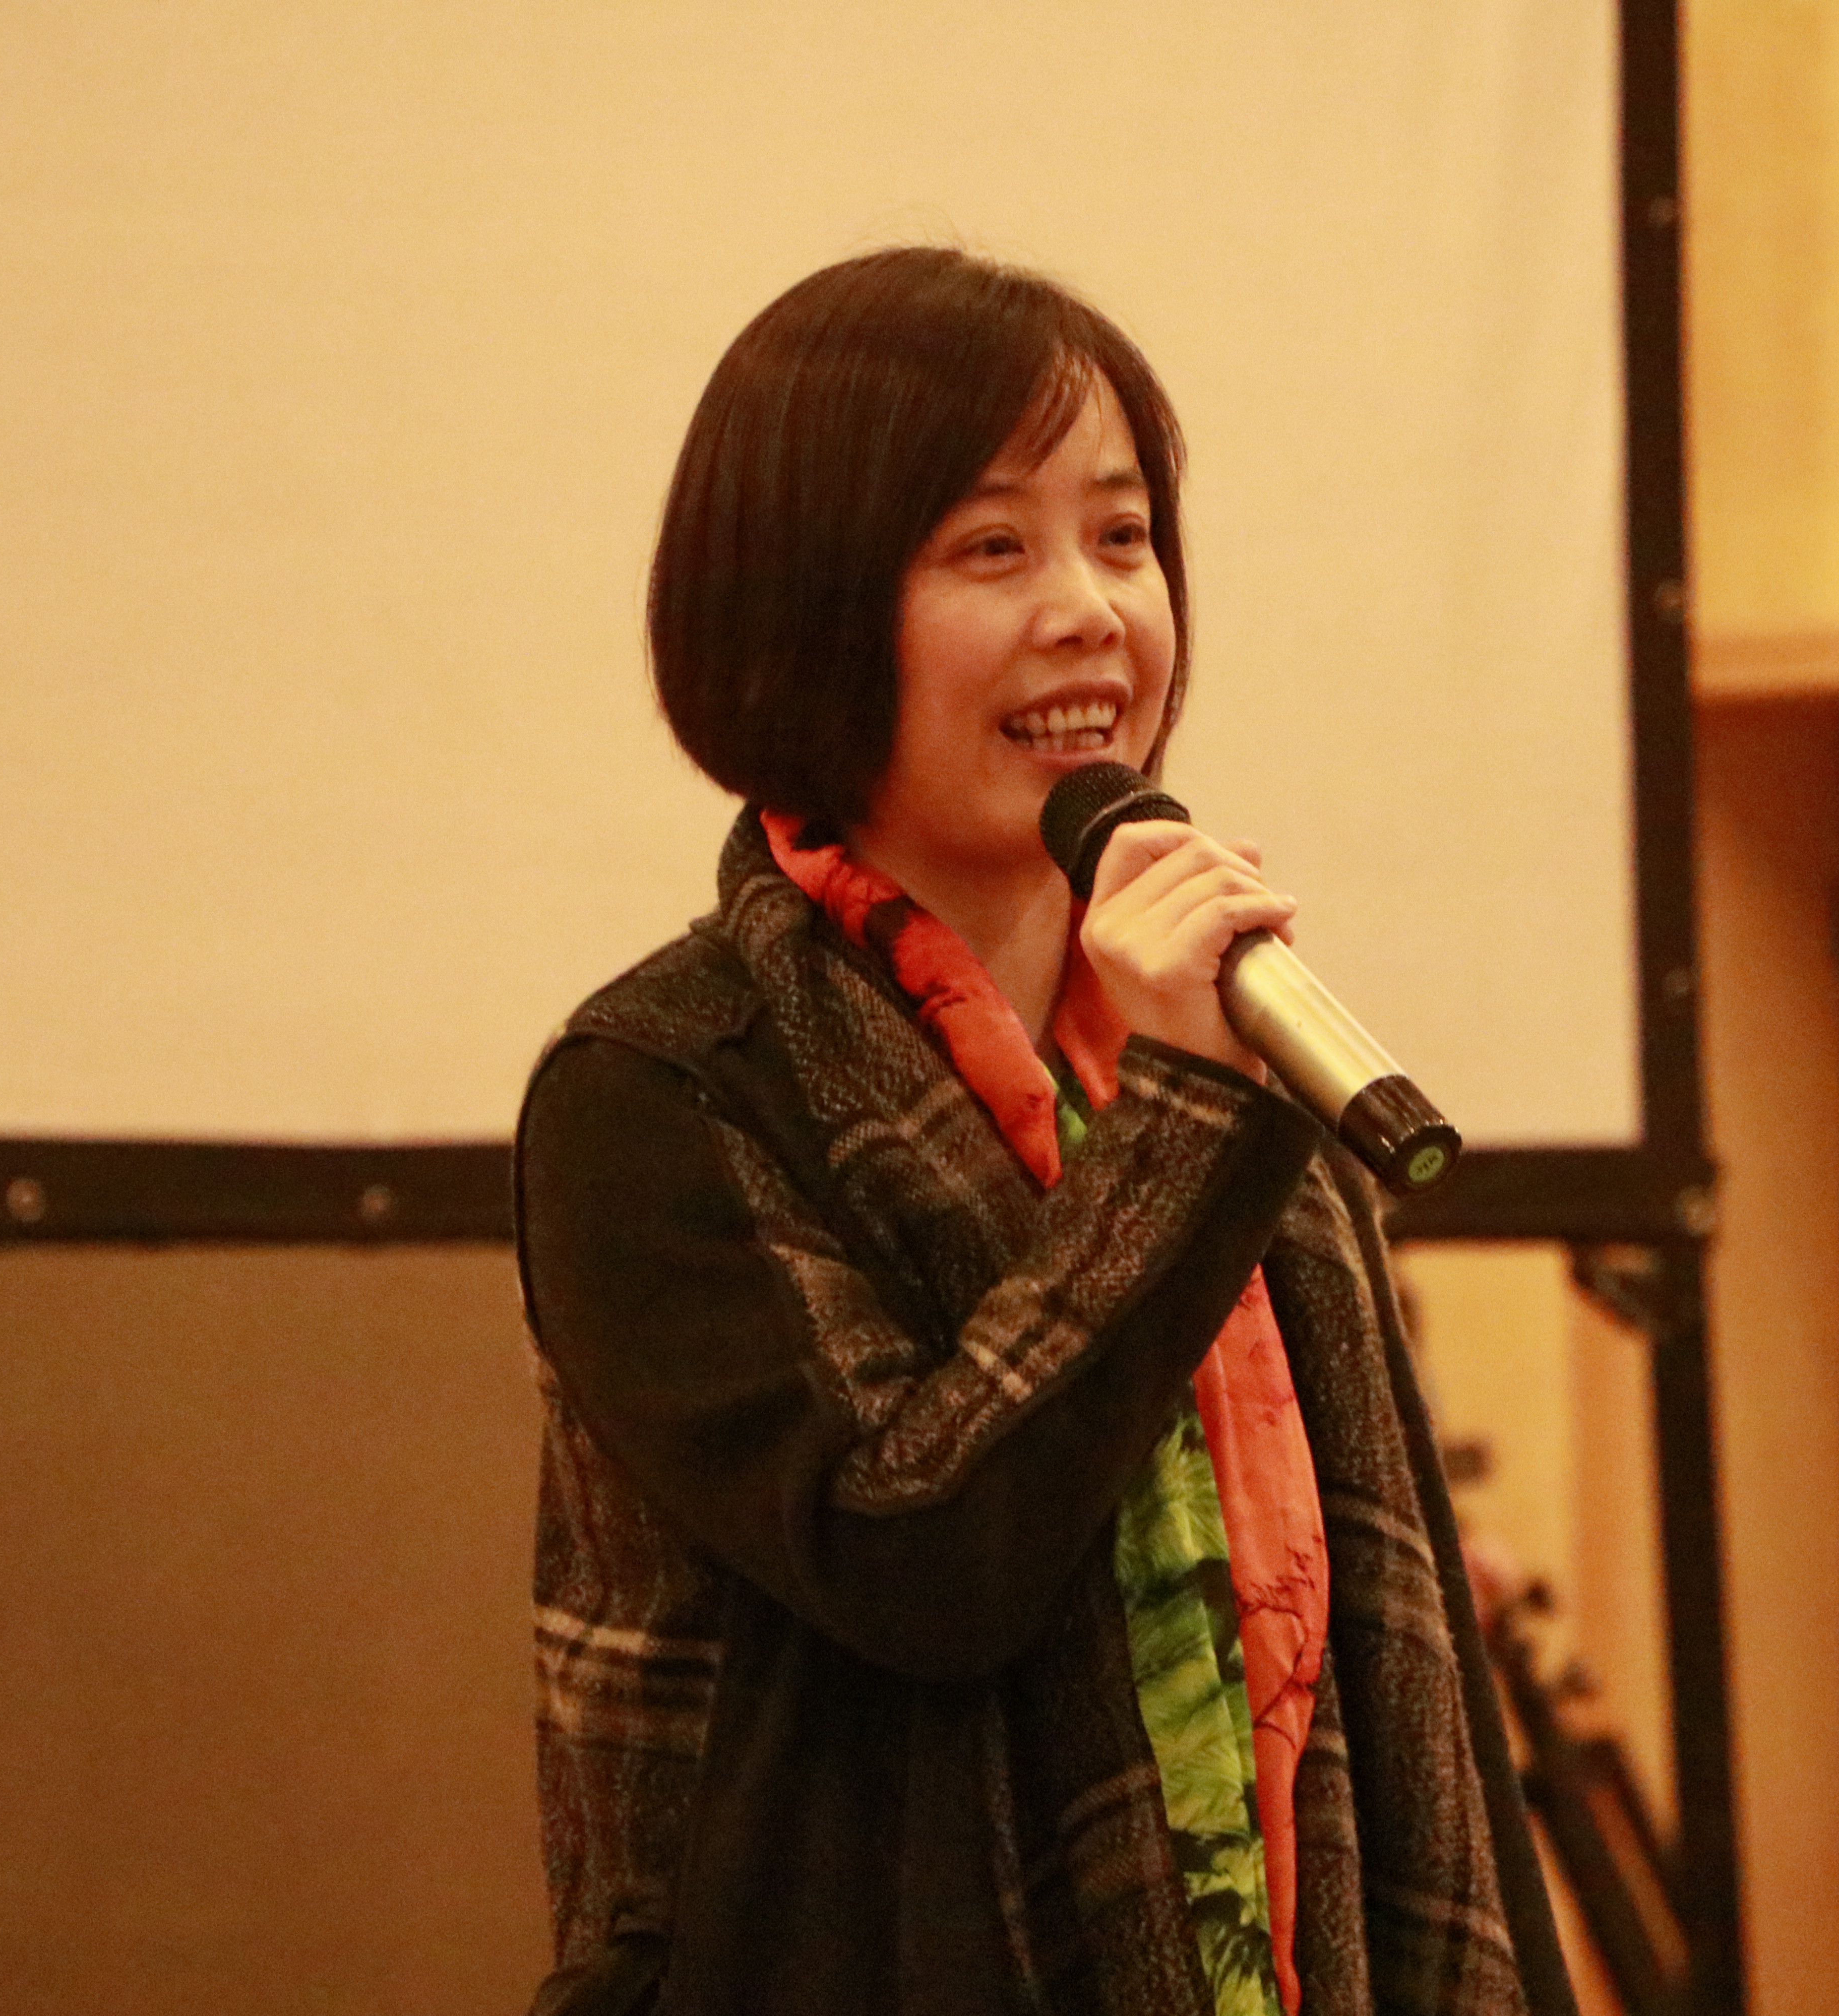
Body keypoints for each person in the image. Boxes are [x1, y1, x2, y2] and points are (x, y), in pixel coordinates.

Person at [514, 245, 1572, 2016]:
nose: (1090, 612)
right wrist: (1178, 1124)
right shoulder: (666, 1087)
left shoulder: (1225, 1055)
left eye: (1124, 536)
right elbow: (920, 1559)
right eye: (993, 548)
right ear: (804, 610)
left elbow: (1417, 1676)